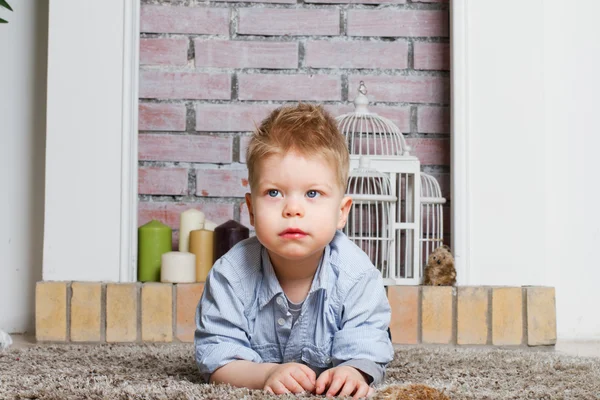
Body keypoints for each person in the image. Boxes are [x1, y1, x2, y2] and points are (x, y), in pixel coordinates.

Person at [194, 103, 394, 399]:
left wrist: (352, 371)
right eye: (274, 193)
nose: (293, 209)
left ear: (341, 212)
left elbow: (369, 342)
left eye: (313, 193)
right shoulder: (230, 275)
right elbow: (217, 357)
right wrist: (265, 374)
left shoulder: (357, 274)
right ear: (251, 208)